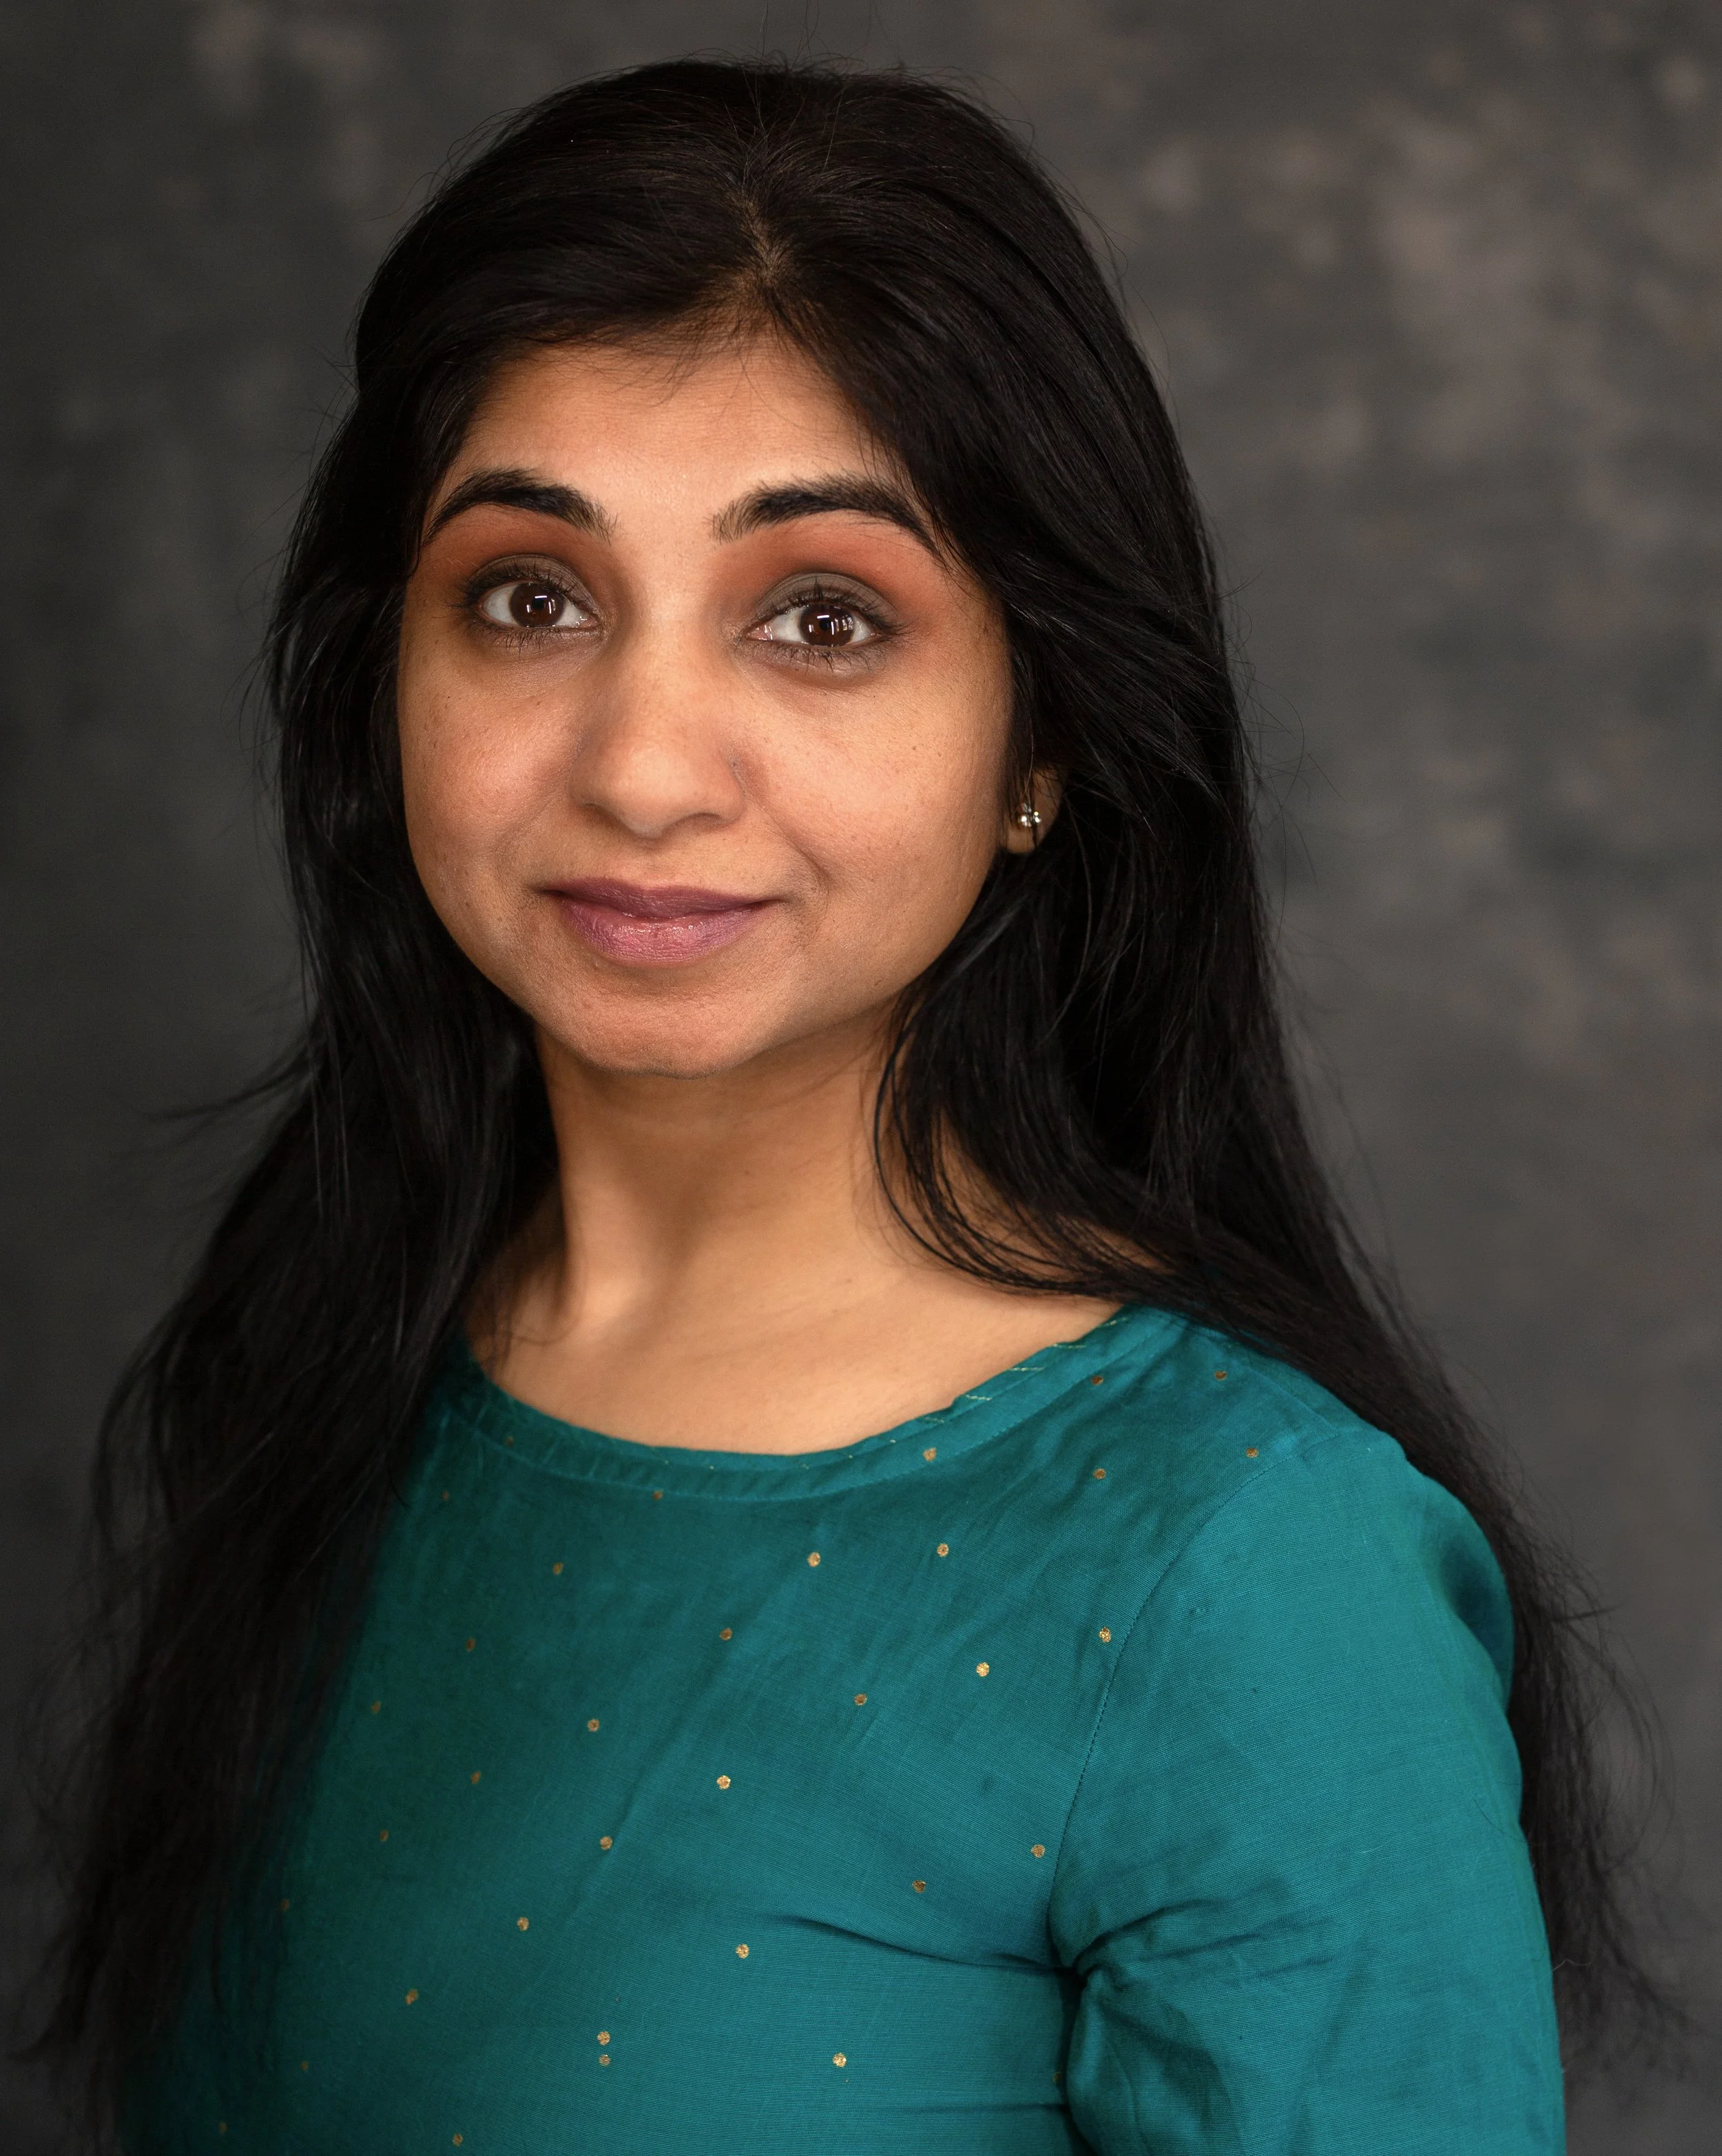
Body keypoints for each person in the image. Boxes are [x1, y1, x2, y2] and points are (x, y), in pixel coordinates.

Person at [39, 57, 1650, 2154]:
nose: (642, 769)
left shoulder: (1251, 1575)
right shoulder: (334, 1345)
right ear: (384, 677)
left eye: (822, 618)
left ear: (1041, 741)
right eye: (532, 597)